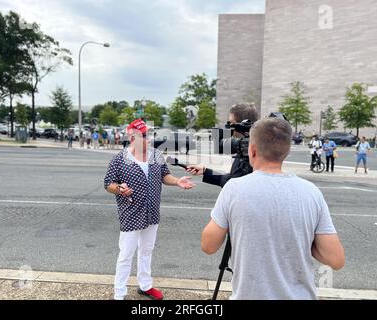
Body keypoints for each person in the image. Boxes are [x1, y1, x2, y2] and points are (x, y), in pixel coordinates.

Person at [201, 117, 345, 300]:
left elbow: (208, 245)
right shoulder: (312, 192)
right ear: (287, 151)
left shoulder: (234, 189)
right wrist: (306, 241)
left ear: (252, 150)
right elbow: (336, 260)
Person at [104, 119, 195, 300]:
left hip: (152, 212)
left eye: (149, 134)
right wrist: (119, 189)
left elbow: (164, 175)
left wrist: (177, 181)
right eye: (144, 135)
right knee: (126, 254)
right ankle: (119, 293)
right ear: (132, 136)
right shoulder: (119, 159)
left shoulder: (156, 155)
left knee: (147, 250)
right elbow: (108, 184)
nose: (149, 138)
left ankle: (145, 286)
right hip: (131, 213)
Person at [186, 104, 260, 187]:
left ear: (243, 124)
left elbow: (234, 184)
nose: (229, 127)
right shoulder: (244, 145)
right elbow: (233, 179)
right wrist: (205, 171)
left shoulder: (253, 149)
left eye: (231, 123)